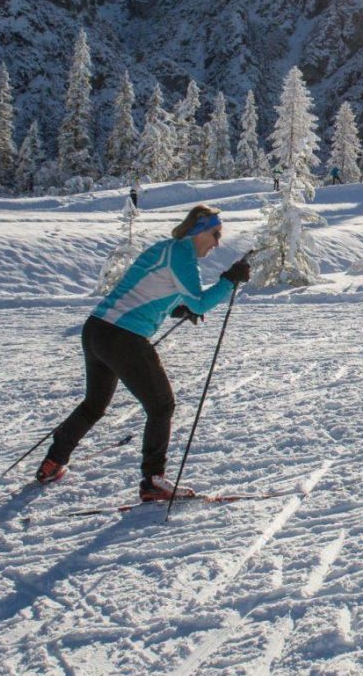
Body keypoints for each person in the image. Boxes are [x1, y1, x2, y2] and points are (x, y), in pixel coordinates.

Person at [37, 203, 252, 501]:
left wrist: (178, 309)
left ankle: (53, 461)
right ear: (200, 230)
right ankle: (153, 480)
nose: (217, 243)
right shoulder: (182, 254)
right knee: (161, 405)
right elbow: (201, 302)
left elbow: (149, 289)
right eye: (215, 234)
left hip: (98, 329)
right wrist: (229, 281)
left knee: (94, 405)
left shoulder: (167, 249)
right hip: (124, 336)